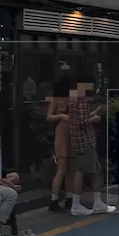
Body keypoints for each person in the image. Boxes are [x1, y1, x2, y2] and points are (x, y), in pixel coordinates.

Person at [67, 83, 117, 215]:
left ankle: (97, 202)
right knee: (81, 171)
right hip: (85, 141)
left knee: (95, 171)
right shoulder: (81, 101)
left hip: (81, 141)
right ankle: (76, 205)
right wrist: (94, 118)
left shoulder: (74, 100)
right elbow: (82, 122)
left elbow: (80, 118)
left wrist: (94, 112)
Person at [46, 84, 72, 213]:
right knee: (61, 170)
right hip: (61, 135)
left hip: (71, 135)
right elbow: (49, 117)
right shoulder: (56, 100)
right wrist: (61, 116)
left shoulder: (72, 100)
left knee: (70, 170)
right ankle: (54, 200)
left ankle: (69, 199)